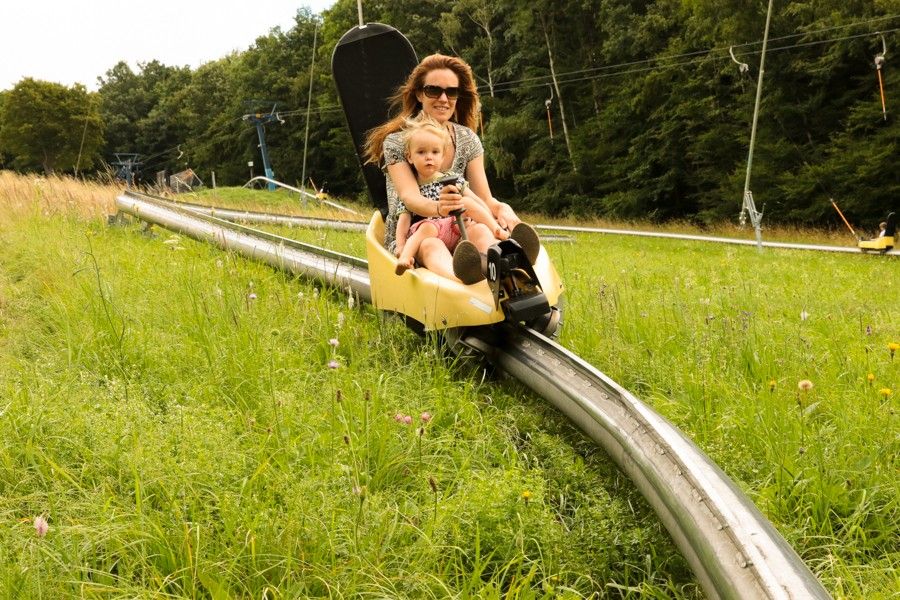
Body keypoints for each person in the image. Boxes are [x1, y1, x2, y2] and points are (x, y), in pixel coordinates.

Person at [364, 53, 540, 282]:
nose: (444, 98)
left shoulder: (467, 140)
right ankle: (462, 278)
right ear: (419, 94)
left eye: (452, 92)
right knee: (431, 244)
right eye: (433, 90)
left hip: (458, 228)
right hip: (415, 234)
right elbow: (410, 198)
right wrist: (441, 208)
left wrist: (500, 208)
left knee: (480, 231)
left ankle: (505, 267)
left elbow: (483, 198)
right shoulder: (398, 142)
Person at [394, 116, 508, 282]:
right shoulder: (411, 191)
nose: (428, 157)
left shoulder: (453, 180)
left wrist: (488, 217)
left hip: (457, 230)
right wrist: (401, 245)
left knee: (475, 219)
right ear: (409, 157)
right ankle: (457, 277)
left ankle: (492, 260)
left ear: (442, 157)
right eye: (421, 152)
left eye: (435, 152)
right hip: (431, 234)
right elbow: (403, 221)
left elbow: (475, 201)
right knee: (428, 235)